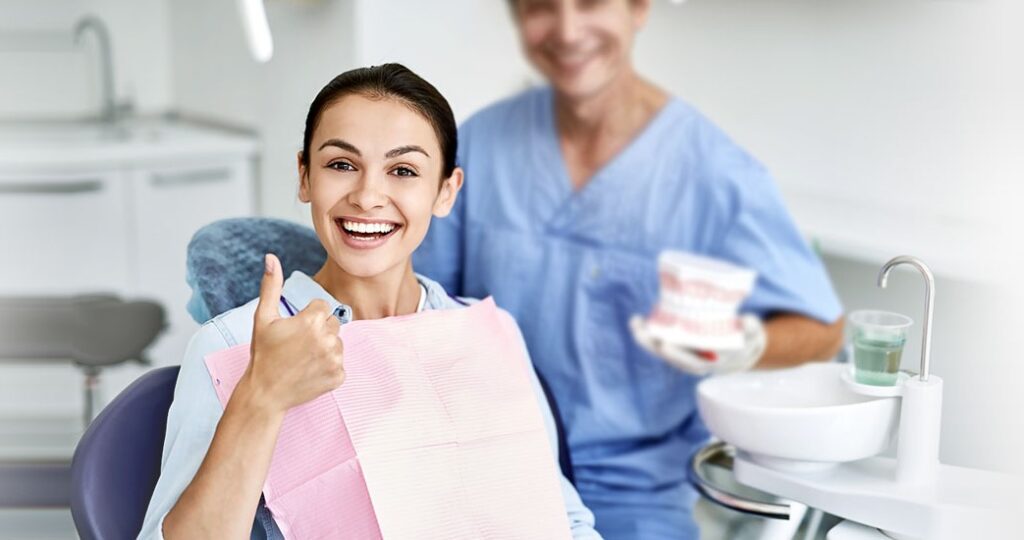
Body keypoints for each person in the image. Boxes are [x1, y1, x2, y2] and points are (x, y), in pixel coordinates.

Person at [413, 0, 844, 537]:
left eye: (591, 3)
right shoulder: (478, 144)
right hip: (487, 466)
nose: (568, 30)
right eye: (541, 7)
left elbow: (822, 328)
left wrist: (738, 343)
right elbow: (416, 308)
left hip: (632, 494)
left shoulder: (713, 172)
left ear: (638, 7)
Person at [137, 64, 600, 539]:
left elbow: (566, 521)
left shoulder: (489, 334)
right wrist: (261, 396)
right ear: (304, 176)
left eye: (403, 171)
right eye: (341, 165)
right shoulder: (232, 346)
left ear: (445, 191)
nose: (367, 196)